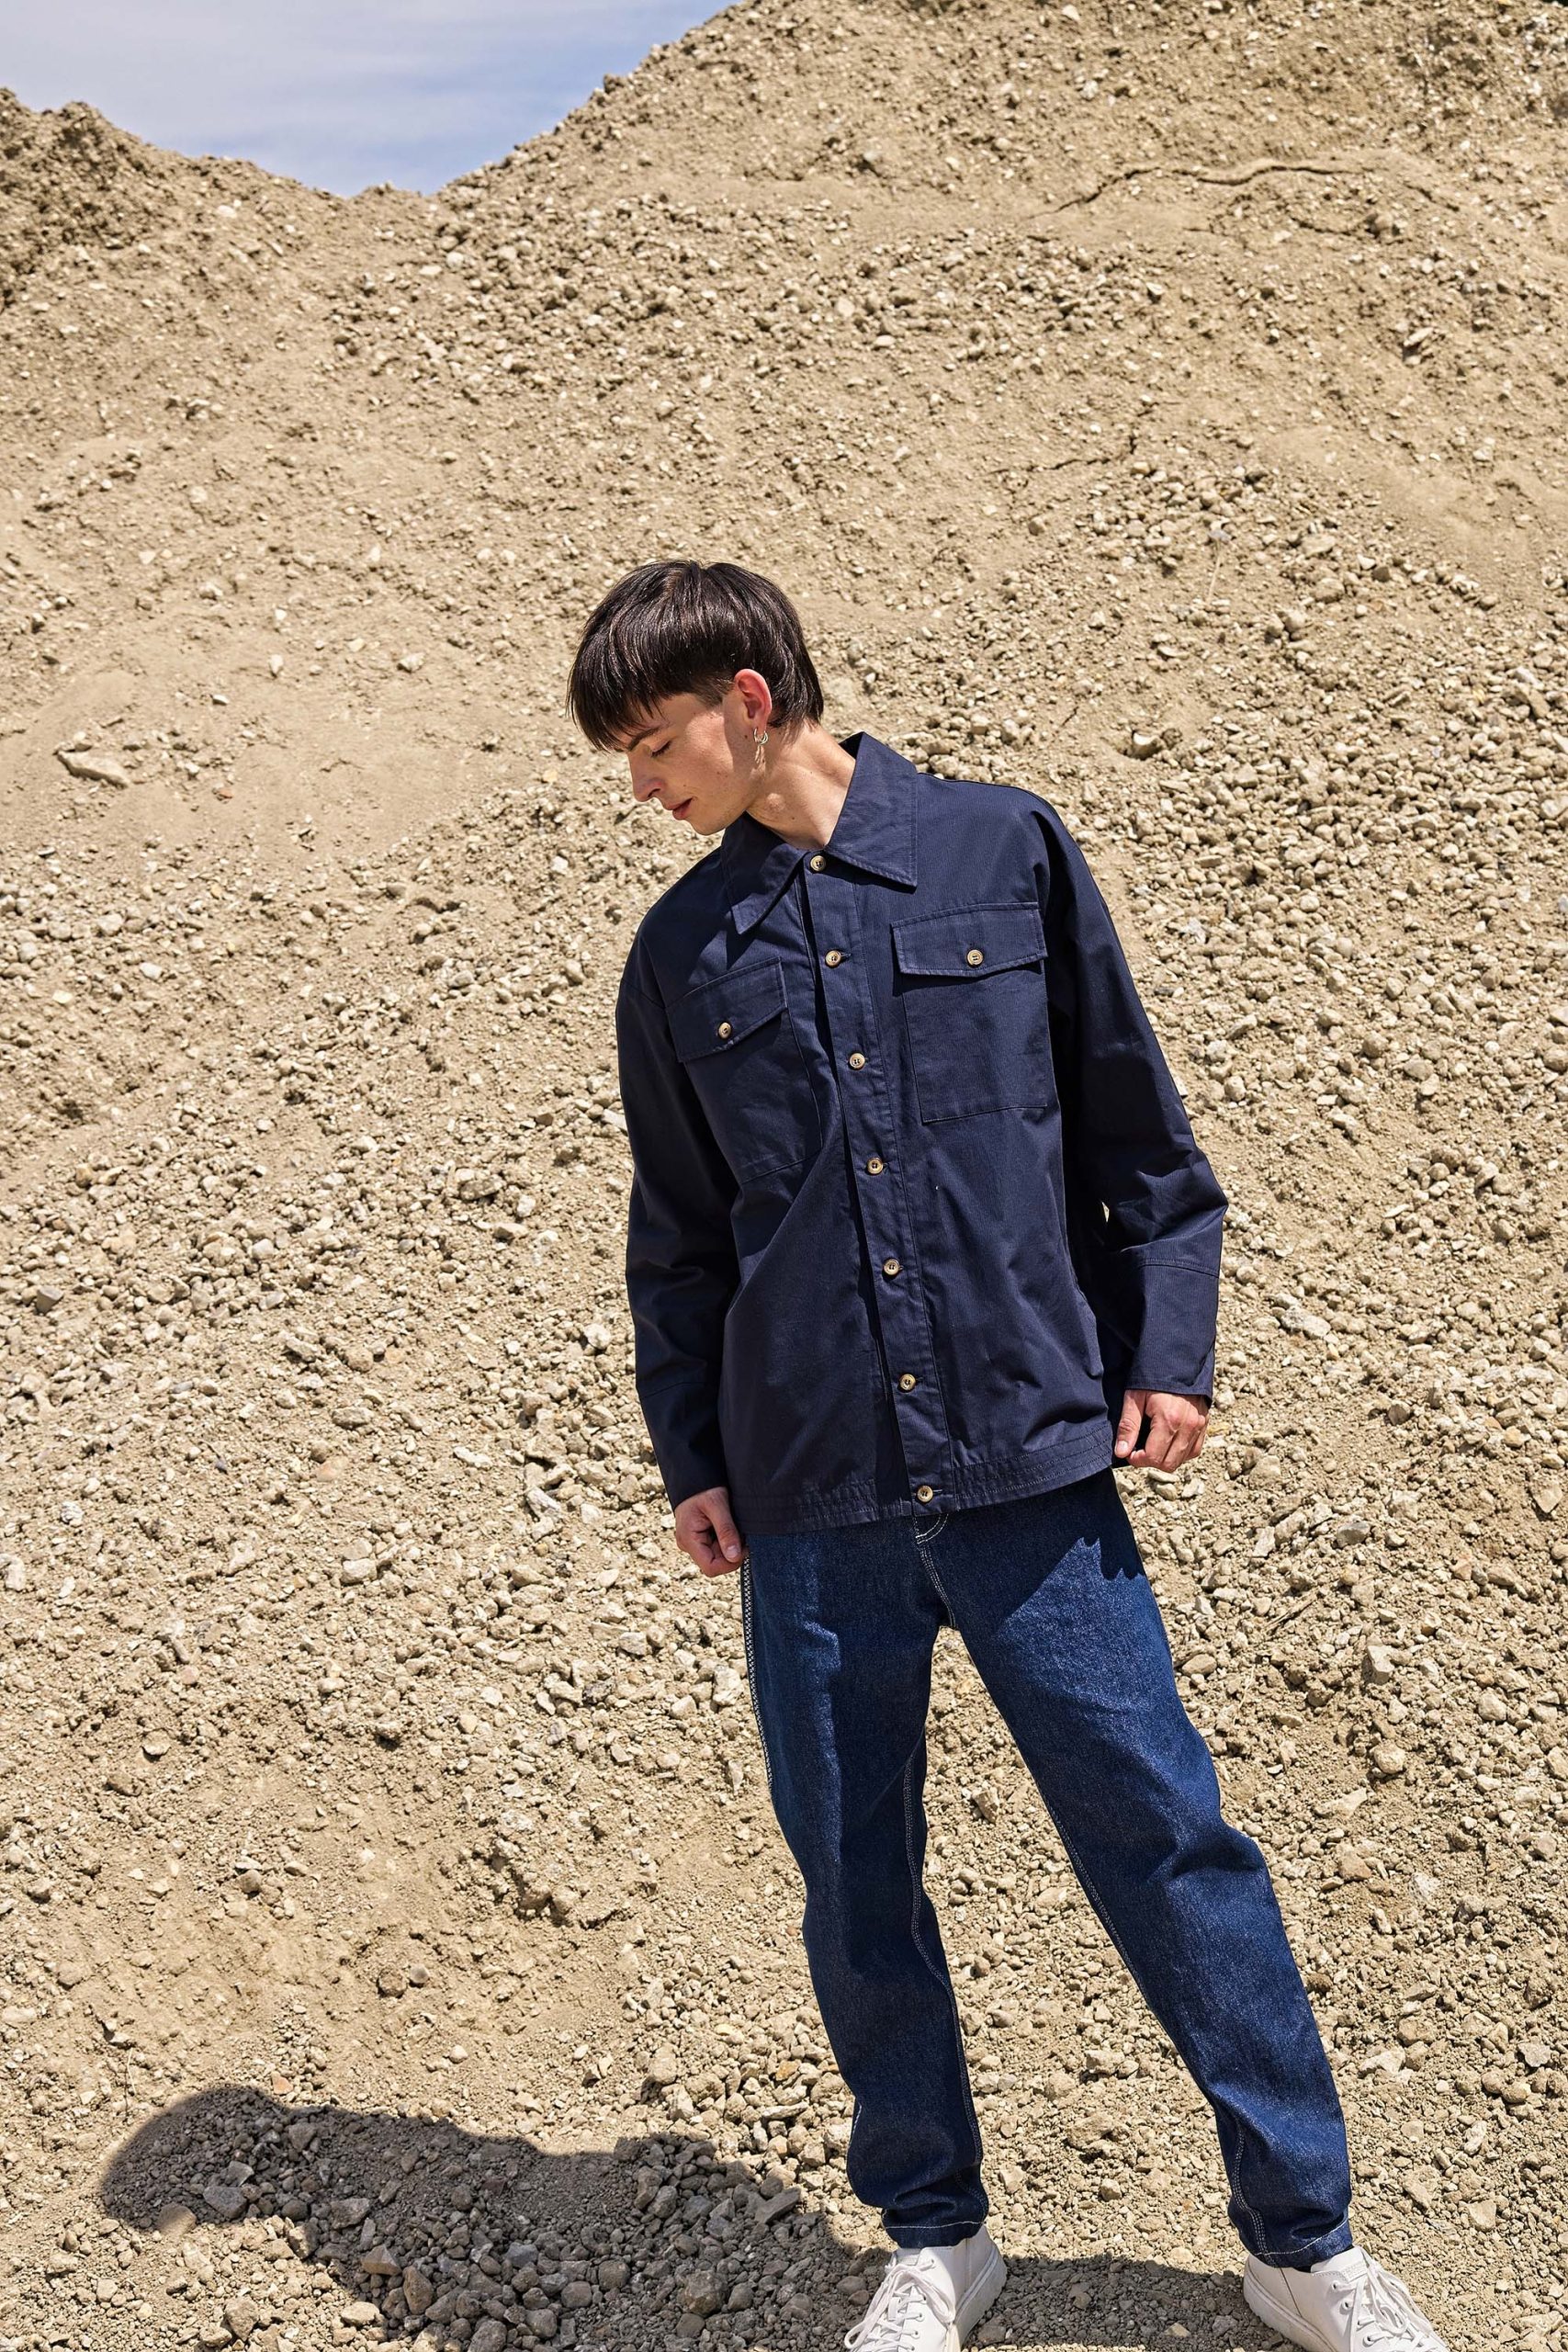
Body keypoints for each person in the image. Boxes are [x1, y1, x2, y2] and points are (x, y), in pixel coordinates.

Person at [567, 558, 1447, 2352]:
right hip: (809, 1491)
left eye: (652, 744)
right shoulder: (679, 957)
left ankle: (1302, 2238)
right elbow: (681, 1239)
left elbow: (1136, 1133)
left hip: (1028, 1462)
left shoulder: (1001, 849)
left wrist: (1166, 1349)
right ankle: (934, 2236)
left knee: (1168, 1838)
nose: (640, 787)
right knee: (855, 1877)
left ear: (749, 700)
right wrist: (691, 1455)